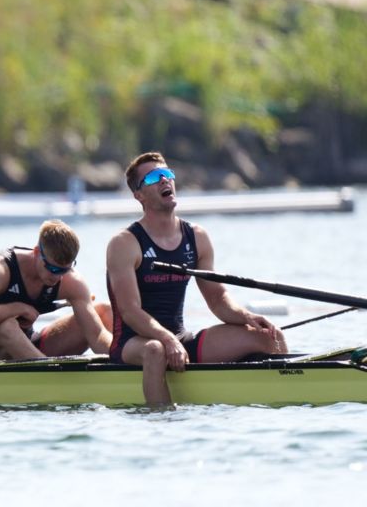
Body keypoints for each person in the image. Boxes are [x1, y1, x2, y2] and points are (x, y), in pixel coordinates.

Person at [105, 152, 288, 407]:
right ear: (139, 195)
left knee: (270, 337)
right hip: (132, 343)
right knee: (155, 350)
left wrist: (246, 317)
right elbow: (130, 311)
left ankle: (281, 405)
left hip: (180, 339)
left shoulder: (197, 237)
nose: (165, 181)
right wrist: (167, 340)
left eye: (168, 174)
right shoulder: (124, 243)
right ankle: (163, 419)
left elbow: (218, 298)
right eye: (155, 177)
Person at [0, 219, 112, 362]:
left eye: (64, 270)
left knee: (104, 312)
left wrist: (125, 353)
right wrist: (19, 308)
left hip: (29, 345)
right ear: (36, 252)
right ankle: (50, 375)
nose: (57, 277)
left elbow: (97, 337)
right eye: (52, 268)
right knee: (7, 326)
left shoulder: (72, 282)